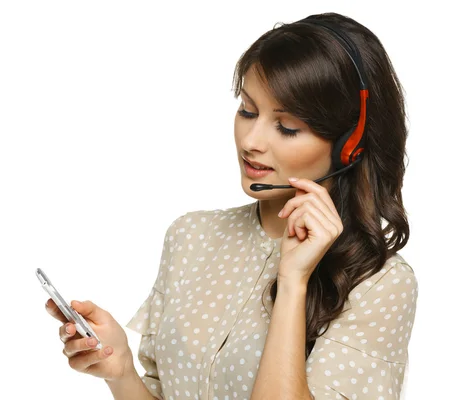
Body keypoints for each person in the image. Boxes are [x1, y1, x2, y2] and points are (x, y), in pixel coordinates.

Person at [45, 12, 418, 400]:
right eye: (247, 110)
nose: (251, 141)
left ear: (349, 146)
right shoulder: (191, 236)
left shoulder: (381, 284)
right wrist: (121, 372)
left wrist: (292, 283)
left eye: (287, 127)